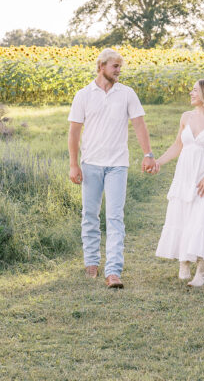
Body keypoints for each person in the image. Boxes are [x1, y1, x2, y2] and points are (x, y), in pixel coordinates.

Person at [68, 48, 156, 288]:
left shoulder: (127, 94)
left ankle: (113, 271)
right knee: (89, 215)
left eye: (120, 66)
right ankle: (91, 262)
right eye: (114, 66)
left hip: (118, 165)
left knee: (115, 217)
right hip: (91, 165)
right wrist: (74, 164)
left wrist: (148, 154)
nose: (119, 71)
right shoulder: (83, 95)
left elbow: (139, 125)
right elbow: (74, 132)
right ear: (101, 66)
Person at [152, 78, 204, 287]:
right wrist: (158, 162)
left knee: (203, 220)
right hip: (184, 176)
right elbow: (178, 145)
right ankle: (184, 261)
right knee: (183, 216)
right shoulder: (185, 117)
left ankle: (202, 271)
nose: (191, 93)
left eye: (195, 91)